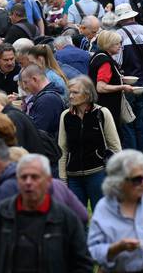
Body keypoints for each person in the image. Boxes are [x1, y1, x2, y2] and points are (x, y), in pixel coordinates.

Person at [0, 154, 93, 273]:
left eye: (35, 177)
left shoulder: (65, 218)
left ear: (48, 181)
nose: (28, 182)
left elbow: (83, 263)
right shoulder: (1, 214)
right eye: (23, 177)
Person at [58, 76, 121, 209]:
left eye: (75, 92)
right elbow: (62, 149)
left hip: (98, 174)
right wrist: (63, 178)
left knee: (102, 215)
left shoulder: (102, 113)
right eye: (70, 92)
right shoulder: (66, 116)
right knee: (77, 219)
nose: (70, 96)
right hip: (73, 176)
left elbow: (115, 147)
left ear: (87, 94)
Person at [114, 3, 143, 151]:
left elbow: (118, 61)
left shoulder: (119, 34)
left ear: (120, 20)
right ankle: (141, 156)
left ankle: (131, 157)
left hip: (126, 84)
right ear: (133, 15)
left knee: (127, 123)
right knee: (140, 122)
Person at [89, 30, 134, 124]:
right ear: (108, 44)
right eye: (116, 44)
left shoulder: (97, 56)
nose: (120, 46)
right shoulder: (105, 61)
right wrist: (123, 87)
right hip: (107, 107)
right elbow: (101, 87)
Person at [20, 64, 65, 140]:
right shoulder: (44, 97)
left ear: (34, 79)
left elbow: (37, 132)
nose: (24, 87)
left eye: (25, 82)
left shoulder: (47, 100)